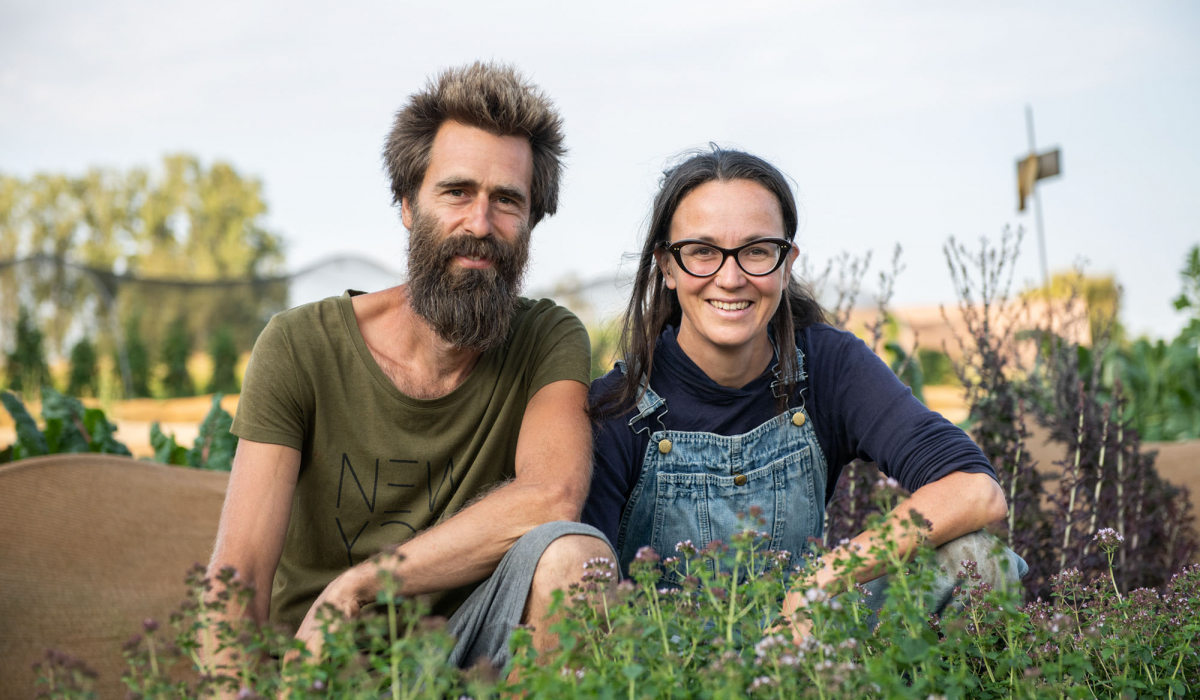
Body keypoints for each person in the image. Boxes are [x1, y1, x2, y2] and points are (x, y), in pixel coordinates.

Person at [206, 62, 614, 671]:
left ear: (531, 221)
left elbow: (551, 497)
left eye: (507, 200)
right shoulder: (300, 346)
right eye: (456, 192)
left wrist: (360, 585)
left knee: (576, 558)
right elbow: (239, 576)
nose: (480, 224)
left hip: (464, 654)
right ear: (406, 203)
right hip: (321, 663)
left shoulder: (546, 338)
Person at [583, 146, 1026, 638]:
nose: (730, 279)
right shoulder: (617, 409)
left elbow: (974, 489)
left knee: (977, 561)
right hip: (671, 674)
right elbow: (586, 601)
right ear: (667, 266)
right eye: (702, 252)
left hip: (809, 655)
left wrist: (820, 582)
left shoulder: (827, 368)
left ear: (786, 263)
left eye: (756, 250)